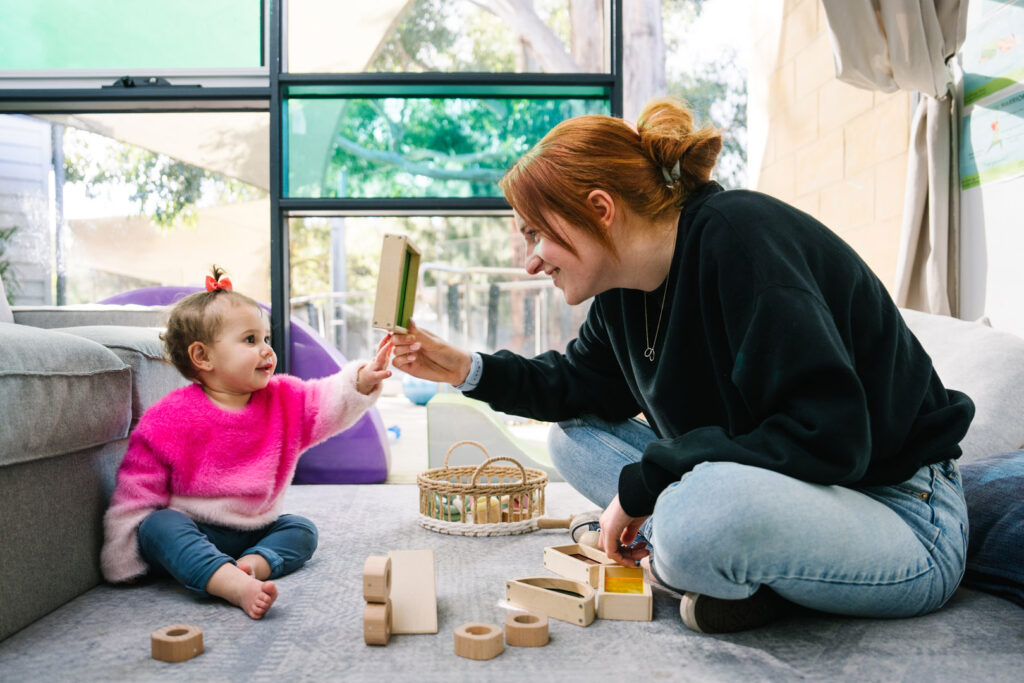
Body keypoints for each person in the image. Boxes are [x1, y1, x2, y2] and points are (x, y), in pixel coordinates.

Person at [390, 96, 975, 634]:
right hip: (785, 486)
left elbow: (830, 438)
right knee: (573, 438)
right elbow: (572, 387)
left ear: (600, 209)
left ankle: (705, 551)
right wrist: (463, 369)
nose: (531, 262)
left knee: (693, 523)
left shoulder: (741, 238)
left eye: (537, 234)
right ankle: (724, 563)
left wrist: (650, 482)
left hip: (899, 513)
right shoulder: (623, 288)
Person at [101, 267, 392, 619]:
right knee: (158, 526)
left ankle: (251, 566)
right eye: (250, 340)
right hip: (195, 527)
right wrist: (121, 560)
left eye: (266, 339)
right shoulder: (170, 417)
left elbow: (327, 401)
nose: (267, 351)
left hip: (254, 530)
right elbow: (136, 490)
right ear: (202, 357)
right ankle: (226, 581)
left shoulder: (284, 398)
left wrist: (359, 381)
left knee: (300, 530)